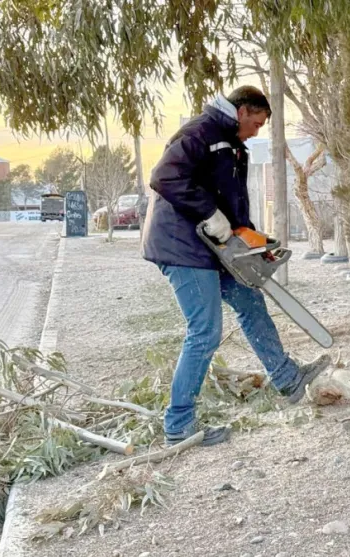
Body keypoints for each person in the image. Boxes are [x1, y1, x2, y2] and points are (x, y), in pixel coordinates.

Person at [142, 86, 330, 447]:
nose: (256, 130)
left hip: (212, 246)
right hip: (182, 247)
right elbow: (163, 177)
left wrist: (253, 242)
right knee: (205, 331)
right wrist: (208, 214)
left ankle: (287, 378)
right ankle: (178, 425)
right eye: (256, 123)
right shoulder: (201, 132)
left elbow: (230, 206)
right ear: (242, 111)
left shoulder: (229, 142)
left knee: (250, 302)